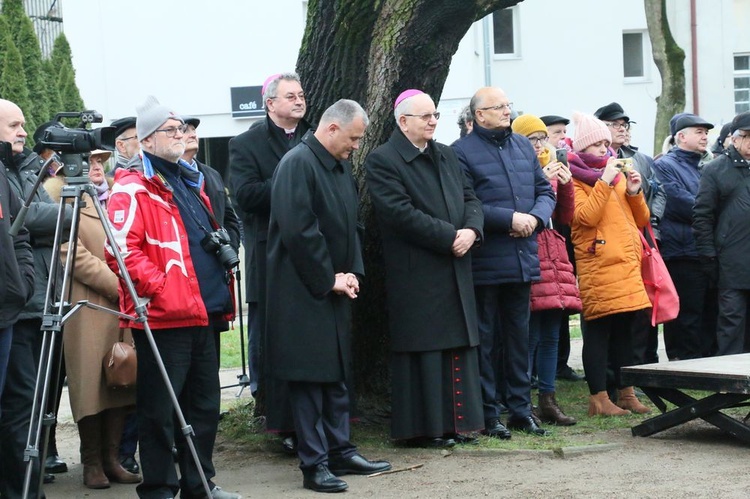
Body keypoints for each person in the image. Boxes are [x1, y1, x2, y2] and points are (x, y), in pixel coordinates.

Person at [106, 96, 240, 499]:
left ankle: (201, 484)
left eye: (182, 128)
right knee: (160, 412)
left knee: (203, 407)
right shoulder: (132, 189)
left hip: (205, 312)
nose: (181, 135)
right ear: (146, 140)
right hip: (165, 317)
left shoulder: (189, 179)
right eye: (171, 129)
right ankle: (160, 489)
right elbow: (120, 251)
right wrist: (161, 290)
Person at [266, 99, 391, 493]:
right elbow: (300, 232)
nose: (356, 146)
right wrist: (329, 278)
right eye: (353, 138)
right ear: (332, 128)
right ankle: (314, 463)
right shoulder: (297, 164)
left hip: (334, 285)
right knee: (309, 381)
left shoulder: (338, 165)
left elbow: (351, 222)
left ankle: (341, 449)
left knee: (336, 374)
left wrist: (352, 271)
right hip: (302, 292)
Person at [365, 90, 484, 447]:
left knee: (457, 348)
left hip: (455, 264)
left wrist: (472, 230)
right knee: (426, 351)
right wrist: (450, 237)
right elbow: (399, 213)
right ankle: (426, 428)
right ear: (403, 122)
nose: (434, 121)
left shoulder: (446, 154)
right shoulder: (383, 160)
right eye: (425, 116)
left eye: (435, 115)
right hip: (417, 271)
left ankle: (459, 424)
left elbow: (470, 197)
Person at [453, 87, 556, 437]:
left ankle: (520, 409)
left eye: (508, 105)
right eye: (498, 107)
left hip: (522, 255)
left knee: (519, 337)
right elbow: (468, 203)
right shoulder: (461, 152)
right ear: (479, 114)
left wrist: (536, 219)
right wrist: (510, 219)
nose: (506, 111)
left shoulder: (522, 146)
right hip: (486, 259)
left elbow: (545, 190)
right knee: (486, 338)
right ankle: (488, 411)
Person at [44, 150, 141, 489]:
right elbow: (69, 252)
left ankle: (113, 459)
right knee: (89, 387)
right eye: (89, 163)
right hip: (87, 307)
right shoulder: (65, 204)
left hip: (123, 308)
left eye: (100, 162)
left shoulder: (117, 201)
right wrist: (121, 286)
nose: (97, 168)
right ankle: (92, 463)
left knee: (120, 380)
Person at [229, 73, 312, 450]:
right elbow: (246, 195)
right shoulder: (246, 143)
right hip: (269, 253)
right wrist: (292, 180)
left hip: (312, 252)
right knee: (268, 333)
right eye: (290, 96)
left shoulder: (314, 137)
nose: (298, 101)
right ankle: (270, 412)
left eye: (301, 95)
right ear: (270, 104)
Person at [0, 98, 73, 498]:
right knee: (19, 407)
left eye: (23, 125)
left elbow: (37, 223)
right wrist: (65, 215)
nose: (23, 132)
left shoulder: (27, 167)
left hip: (38, 301)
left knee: (37, 404)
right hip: (20, 309)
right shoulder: (7, 172)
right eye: (14, 125)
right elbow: (37, 220)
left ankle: (29, 486)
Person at [566, 112, 652, 416]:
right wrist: (604, 181)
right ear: (581, 148)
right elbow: (584, 218)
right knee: (599, 332)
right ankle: (598, 398)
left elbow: (641, 220)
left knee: (626, 331)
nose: (604, 149)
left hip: (626, 264)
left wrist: (634, 192)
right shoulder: (574, 178)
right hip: (598, 264)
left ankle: (625, 392)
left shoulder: (615, 175)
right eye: (596, 144)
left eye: (606, 143)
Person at [511, 114, 580, 426]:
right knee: (530, 334)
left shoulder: (548, 168)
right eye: (532, 139)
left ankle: (549, 400)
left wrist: (564, 186)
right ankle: (522, 401)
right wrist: (545, 177)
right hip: (530, 255)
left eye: (542, 138)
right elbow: (528, 208)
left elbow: (565, 215)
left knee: (552, 331)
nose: (540, 145)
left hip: (554, 255)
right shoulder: (517, 170)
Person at [653, 113, 718, 361]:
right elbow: (680, 203)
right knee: (685, 312)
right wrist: (713, 212)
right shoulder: (665, 166)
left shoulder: (706, 166)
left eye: (706, 132)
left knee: (706, 309)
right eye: (699, 132)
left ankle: (704, 358)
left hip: (703, 249)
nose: (705, 136)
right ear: (681, 137)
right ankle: (684, 359)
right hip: (681, 251)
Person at [181, 116, 242, 365]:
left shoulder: (211, 174)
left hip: (216, 281)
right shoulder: (164, 178)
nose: (191, 133)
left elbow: (230, 219)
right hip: (187, 283)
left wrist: (228, 249)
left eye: (194, 129)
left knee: (210, 363)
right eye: (184, 129)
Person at [693, 111, 750, 356]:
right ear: (734, 139)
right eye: (747, 136)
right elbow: (702, 216)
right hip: (730, 262)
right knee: (731, 324)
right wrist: (709, 255)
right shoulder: (715, 169)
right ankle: (729, 383)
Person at [108, 117, 141, 474]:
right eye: (137, 138)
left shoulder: (150, 178)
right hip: (120, 297)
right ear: (122, 146)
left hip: (141, 297)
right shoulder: (121, 184)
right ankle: (124, 453)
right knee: (125, 376)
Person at [0, 148, 34, 418]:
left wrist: (22, 284)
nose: (23, 132)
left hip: (6, 311)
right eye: (14, 125)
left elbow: (19, 232)